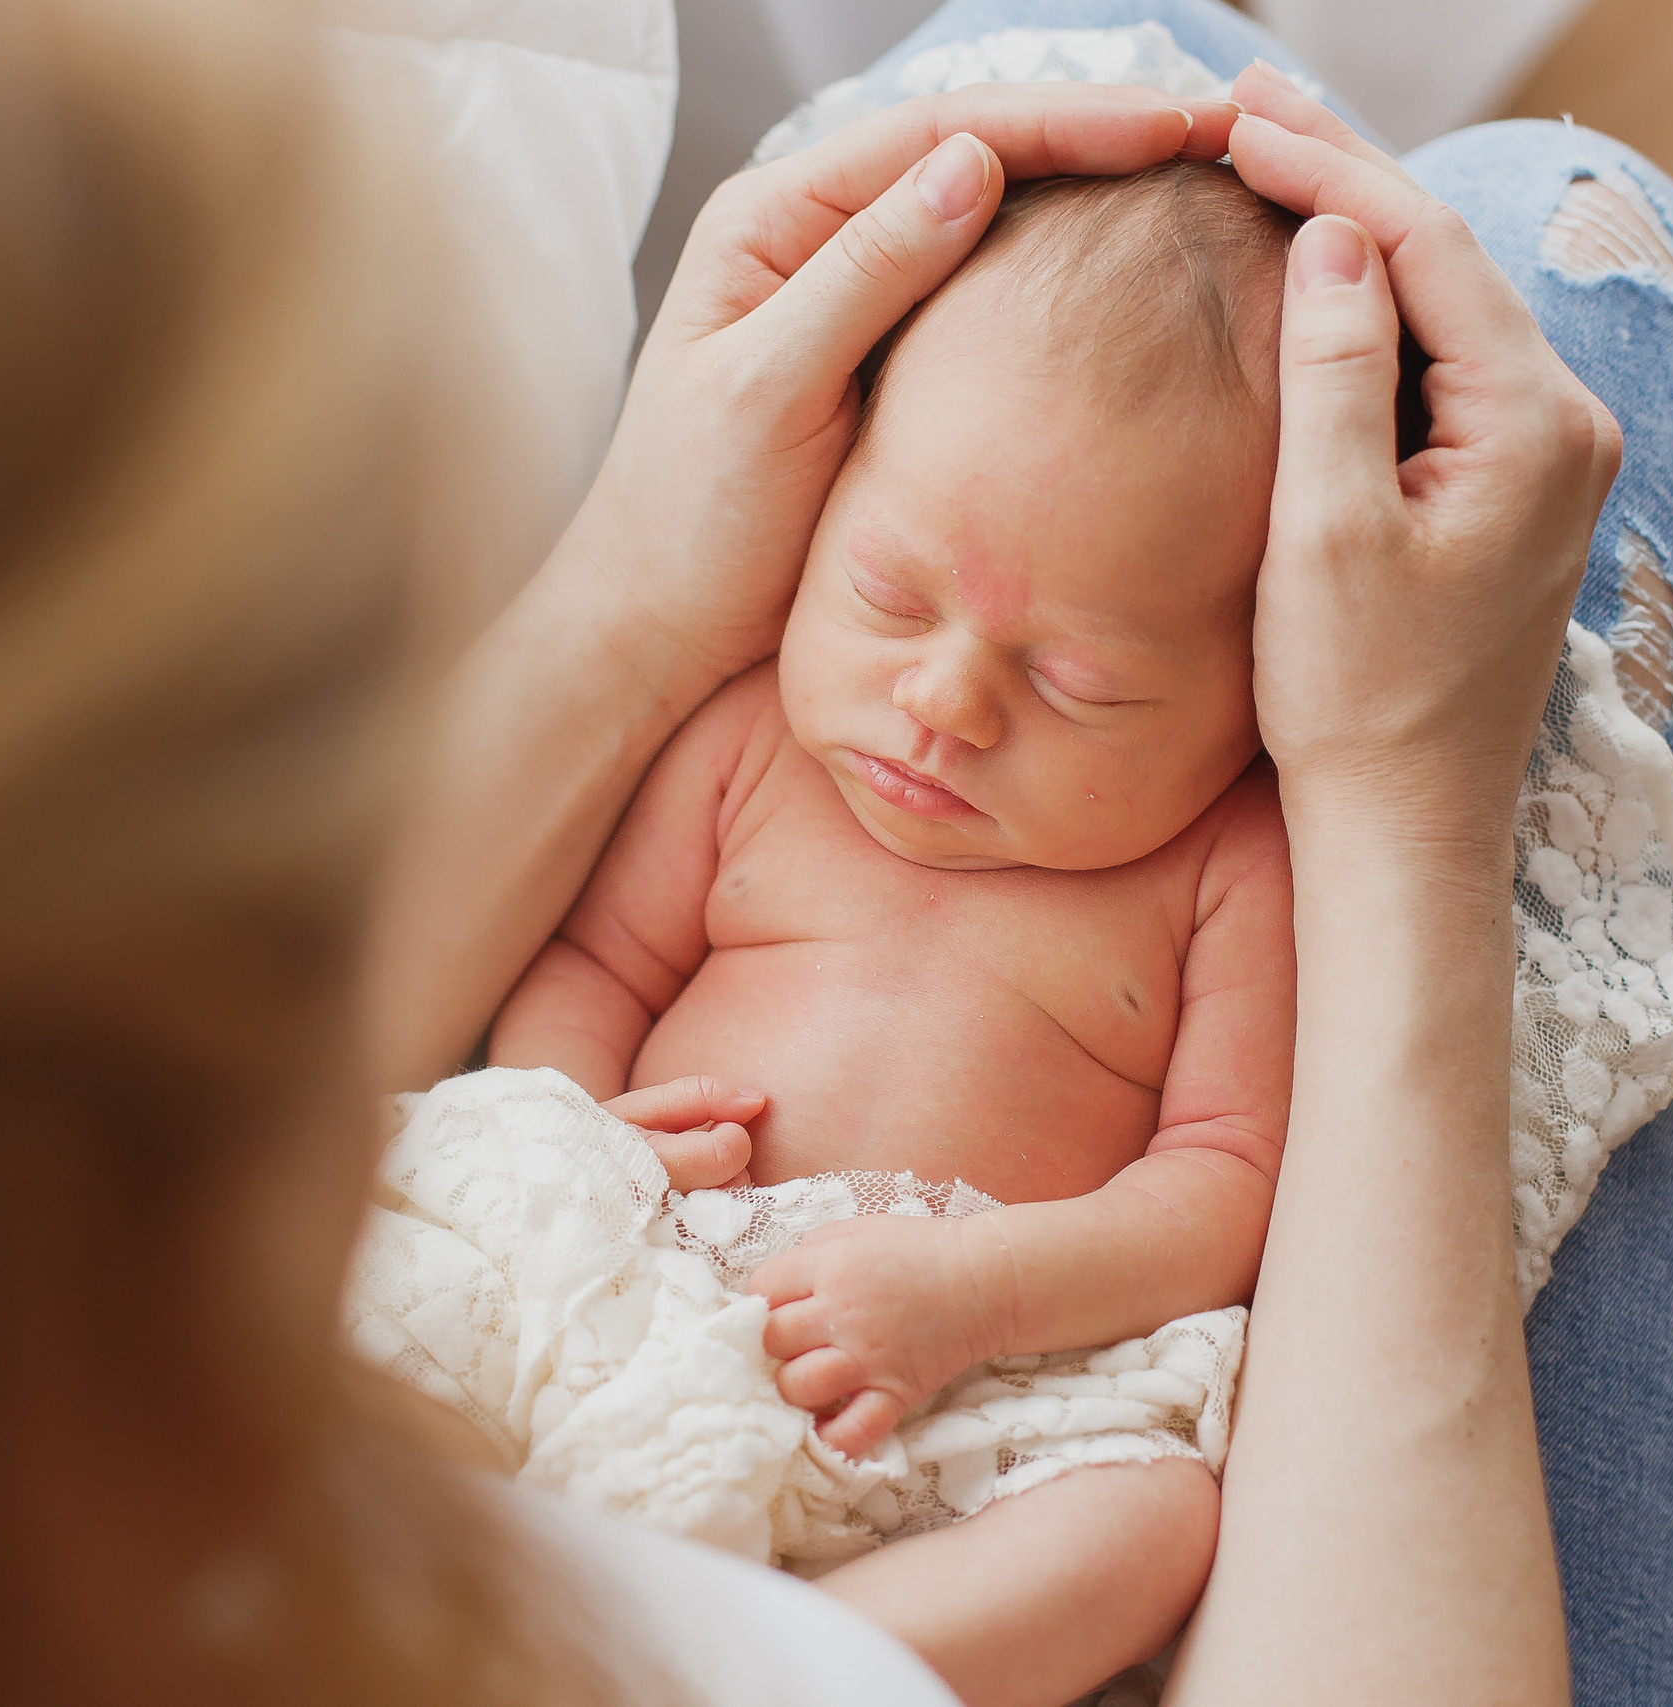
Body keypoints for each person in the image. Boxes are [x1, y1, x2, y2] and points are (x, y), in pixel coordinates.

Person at [0, 0, 1673, 1705]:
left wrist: (634, 588)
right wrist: (1398, 805)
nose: (920, 708)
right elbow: (579, 982)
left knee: (1090, 103)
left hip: (896, 1301)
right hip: (857, 1436)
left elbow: (1189, 1169)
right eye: (341, 754)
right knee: (1590, 266)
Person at [467, 163, 1301, 1700]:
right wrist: (584, 1136)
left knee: (1156, 1518)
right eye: (888, 594)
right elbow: (589, 970)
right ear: (830, 497)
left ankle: (786, 1667)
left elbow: (1229, 1184)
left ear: (1261, 687)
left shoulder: (1226, 862)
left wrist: (971, 1295)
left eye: (1083, 685)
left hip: (968, 1387)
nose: (946, 702)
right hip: (629, 1273)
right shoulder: (752, 739)